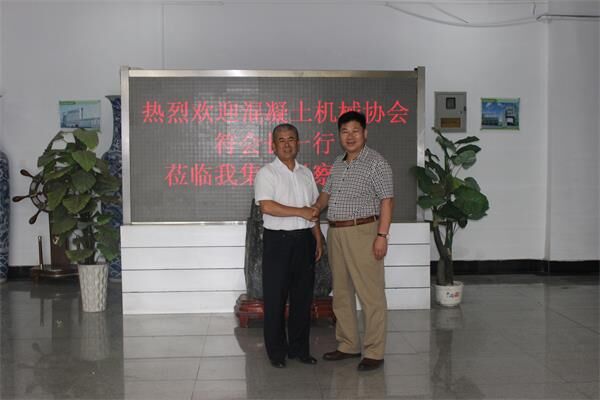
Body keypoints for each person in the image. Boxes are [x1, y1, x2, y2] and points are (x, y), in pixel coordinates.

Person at [312, 111, 394, 371]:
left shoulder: (376, 163)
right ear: (339, 135)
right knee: (342, 292)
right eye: (344, 131)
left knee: (371, 294)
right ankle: (348, 345)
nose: (350, 136)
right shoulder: (338, 163)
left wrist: (382, 236)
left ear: (365, 133)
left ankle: (374, 352)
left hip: (363, 232)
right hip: (336, 232)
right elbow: (326, 195)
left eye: (355, 131)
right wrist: (315, 209)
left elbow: (387, 201)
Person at [254, 123, 323, 368]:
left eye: (291, 139)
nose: (286, 144)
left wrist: (317, 237)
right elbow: (267, 207)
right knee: (275, 298)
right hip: (278, 242)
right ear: (273, 145)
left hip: (304, 240)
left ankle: (299, 350)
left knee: (302, 298)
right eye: (281, 140)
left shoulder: (306, 173)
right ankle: (277, 353)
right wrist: (300, 212)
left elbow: (312, 209)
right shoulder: (267, 173)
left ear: (298, 143)